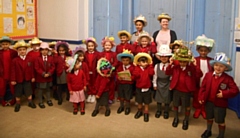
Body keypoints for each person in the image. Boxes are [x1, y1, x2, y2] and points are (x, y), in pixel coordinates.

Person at [199, 52, 239, 138]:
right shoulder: (208, 75)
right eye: (216, 65)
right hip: (208, 101)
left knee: (220, 120)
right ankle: (208, 130)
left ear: (225, 68)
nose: (218, 68)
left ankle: (221, 135)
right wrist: (201, 96)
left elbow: (235, 90)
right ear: (213, 65)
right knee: (209, 117)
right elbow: (203, 87)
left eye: (221, 66)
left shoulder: (228, 78)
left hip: (220, 104)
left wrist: (224, 94)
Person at [165, 46, 203, 130]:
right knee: (176, 104)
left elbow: (199, 75)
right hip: (176, 89)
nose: (182, 63)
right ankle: (176, 118)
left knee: (187, 106)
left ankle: (186, 120)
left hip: (186, 90)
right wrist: (170, 64)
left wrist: (196, 65)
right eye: (181, 61)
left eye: (184, 62)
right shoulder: (176, 67)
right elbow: (167, 72)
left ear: (188, 61)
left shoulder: (191, 68)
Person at [11, 40, 36, 112]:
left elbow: (32, 69)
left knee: (28, 90)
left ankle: (30, 102)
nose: (22, 51)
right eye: (20, 50)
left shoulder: (30, 59)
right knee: (18, 92)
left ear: (26, 50)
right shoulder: (15, 60)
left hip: (27, 78)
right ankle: (18, 103)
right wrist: (13, 79)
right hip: (18, 79)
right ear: (18, 51)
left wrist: (33, 76)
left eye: (24, 49)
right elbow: (13, 71)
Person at [193, 35, 215, 119]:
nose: (203, 52)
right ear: (198, 50)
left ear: (208, 51)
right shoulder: (195, 59)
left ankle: (203, 108)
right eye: (201, 50)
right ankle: (198, 108)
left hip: (207, 80)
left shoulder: (211, 60)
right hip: (198, 80)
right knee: (197, 94)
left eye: (205, 51)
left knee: (206, 95)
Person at [133, 53, 154, 122]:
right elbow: (135, 75)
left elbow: (151, 73)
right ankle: (139, 111)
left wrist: (151, 65)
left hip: (147, 88)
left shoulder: (148, 69)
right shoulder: (137, 69)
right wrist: (136, 67)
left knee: (146, 102)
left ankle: (146, 113)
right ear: (139, 63)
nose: (145, 63)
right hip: (139, 88)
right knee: (139, 101)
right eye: (143, 62)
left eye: (146, 62)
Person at [152, 45, 172, 119]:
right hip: (159, 83)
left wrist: (171, 85)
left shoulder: (170, 65)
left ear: (168, 57)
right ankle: (159, 110)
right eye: (162, 57)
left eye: (166, 57)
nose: (164, 58)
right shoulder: (157, 66)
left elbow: (172, 76)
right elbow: (155, 76)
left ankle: (166, 111)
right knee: (159, 98)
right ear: (160, 57)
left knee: (167, 98)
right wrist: (154, 84)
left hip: (167, 83)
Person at [34, 42, 55, 108]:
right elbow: (37, 68)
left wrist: (49, 73)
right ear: (40, 51)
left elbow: (53, 67)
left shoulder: (51, 58)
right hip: (41, 77)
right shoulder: (37, 58)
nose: (44, 51)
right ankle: (40, 101)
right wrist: (43, 73)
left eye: (46, 50)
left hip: (48, 77)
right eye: (42, 50)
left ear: (48, 51)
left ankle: (48, 100)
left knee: (48, 89)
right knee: (40, 90)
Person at [99, 37, 117, 104]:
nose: (107, 46)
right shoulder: (101, 54)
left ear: (112, 46)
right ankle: (104, 97)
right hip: (103, 73)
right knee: (104, 86)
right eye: (106, 45)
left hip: (111, 73)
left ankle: (111, 98)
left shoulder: (114, 54)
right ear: (103, 45)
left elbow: (116, 62)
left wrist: (112, 68)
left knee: (111, 86)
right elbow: (99, 62)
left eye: (109, 45)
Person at [0, 36, 18, 106]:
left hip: (11, 73)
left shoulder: (14, 52)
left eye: (6, 44)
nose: (5, 46)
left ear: (9, 44)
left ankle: (13, 100)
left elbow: (16, 63)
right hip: (2, 74)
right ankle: (2, 101)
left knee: (13, 87)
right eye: (3, 44)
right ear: (1, 45)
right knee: (1, 87)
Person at [116, 49, 135, 115]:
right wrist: (118, 77)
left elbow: (134, 76)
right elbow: (117, 73)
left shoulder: (132, 67)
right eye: (123, 60)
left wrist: (130, 78)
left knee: (127, 96)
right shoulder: (120, 67)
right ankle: (121, 106)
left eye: (127, 60)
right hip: (121, 84)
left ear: (130, 60)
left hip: (128, 84)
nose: (125, 62)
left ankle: (127, 107)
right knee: (121, 96)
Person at [84, 37, 99, 103]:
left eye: (92, 46)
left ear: (94, 46)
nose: (90, 47)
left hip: (94, 71)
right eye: (89, 46)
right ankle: (89, 94)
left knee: (94, 83)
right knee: (88, 82)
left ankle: (94, 94)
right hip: (87, 71)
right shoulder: (85, 54)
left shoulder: (97, 54)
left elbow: (99, 62)